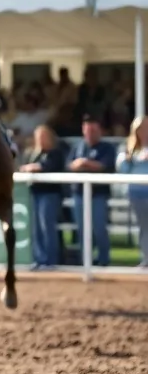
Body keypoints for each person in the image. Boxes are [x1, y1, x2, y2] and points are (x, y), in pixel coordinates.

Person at [68, 114, 116, 266]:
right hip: (79, 194)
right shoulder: (78, 147)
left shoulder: (107, 148)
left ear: (100, 131)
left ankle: (103, 260)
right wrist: (80, 164)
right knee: (82, 230)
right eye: (87, 130)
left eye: (93, 130)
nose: (90, 133)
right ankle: (85, 261)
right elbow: (69, 164)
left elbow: (105, 166)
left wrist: (84, 163)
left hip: (98, 195)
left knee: (99, 228)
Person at [20, 124, 67, 269]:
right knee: (36, 229)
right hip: (35, 193)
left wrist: (34, 168)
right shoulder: (32, 153)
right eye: (39, 137)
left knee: (47, 226)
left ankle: (50, 260)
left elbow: (48, 166)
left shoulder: (56, 153)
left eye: (44, 136)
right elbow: (24, 167)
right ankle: (39, 259)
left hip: (50, 194)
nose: (41, 140)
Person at [117, 116, 148, 268]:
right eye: (141, 128)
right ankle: (146, 258)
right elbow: (122, 170)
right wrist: (127, 160)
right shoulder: (128, 148)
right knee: (144, 226)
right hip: (137, 193)